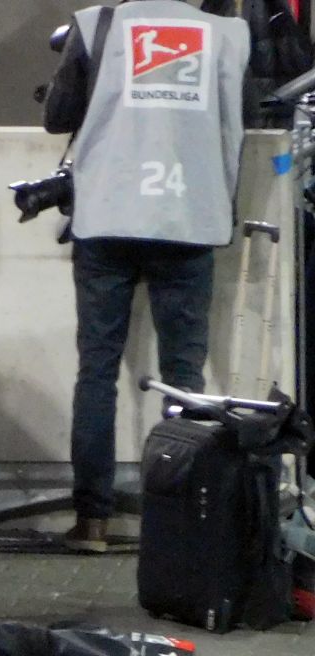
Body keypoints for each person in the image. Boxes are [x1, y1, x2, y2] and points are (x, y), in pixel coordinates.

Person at [44, 0, 249, 552]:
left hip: (107, 219)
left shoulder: (97, 24)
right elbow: (238, 122)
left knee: (97, 373)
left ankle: (93, 524)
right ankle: (182, 526)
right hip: (189, 216)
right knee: (185, 379)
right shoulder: (228, 34)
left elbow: (57, 116)